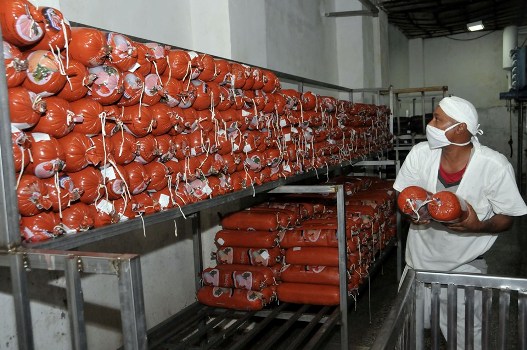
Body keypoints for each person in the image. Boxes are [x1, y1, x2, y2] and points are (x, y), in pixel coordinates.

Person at [393, 96, 527, 349]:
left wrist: (478, 226)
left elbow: (507, 218)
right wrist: (411, 212)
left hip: (464, 269)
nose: (430, 124)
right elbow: (403, 193)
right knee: (407, 335)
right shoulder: (421, 153)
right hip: (418, 265)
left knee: (465, 339)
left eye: (438, 119)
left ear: (460, 128)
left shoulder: (493, 166)